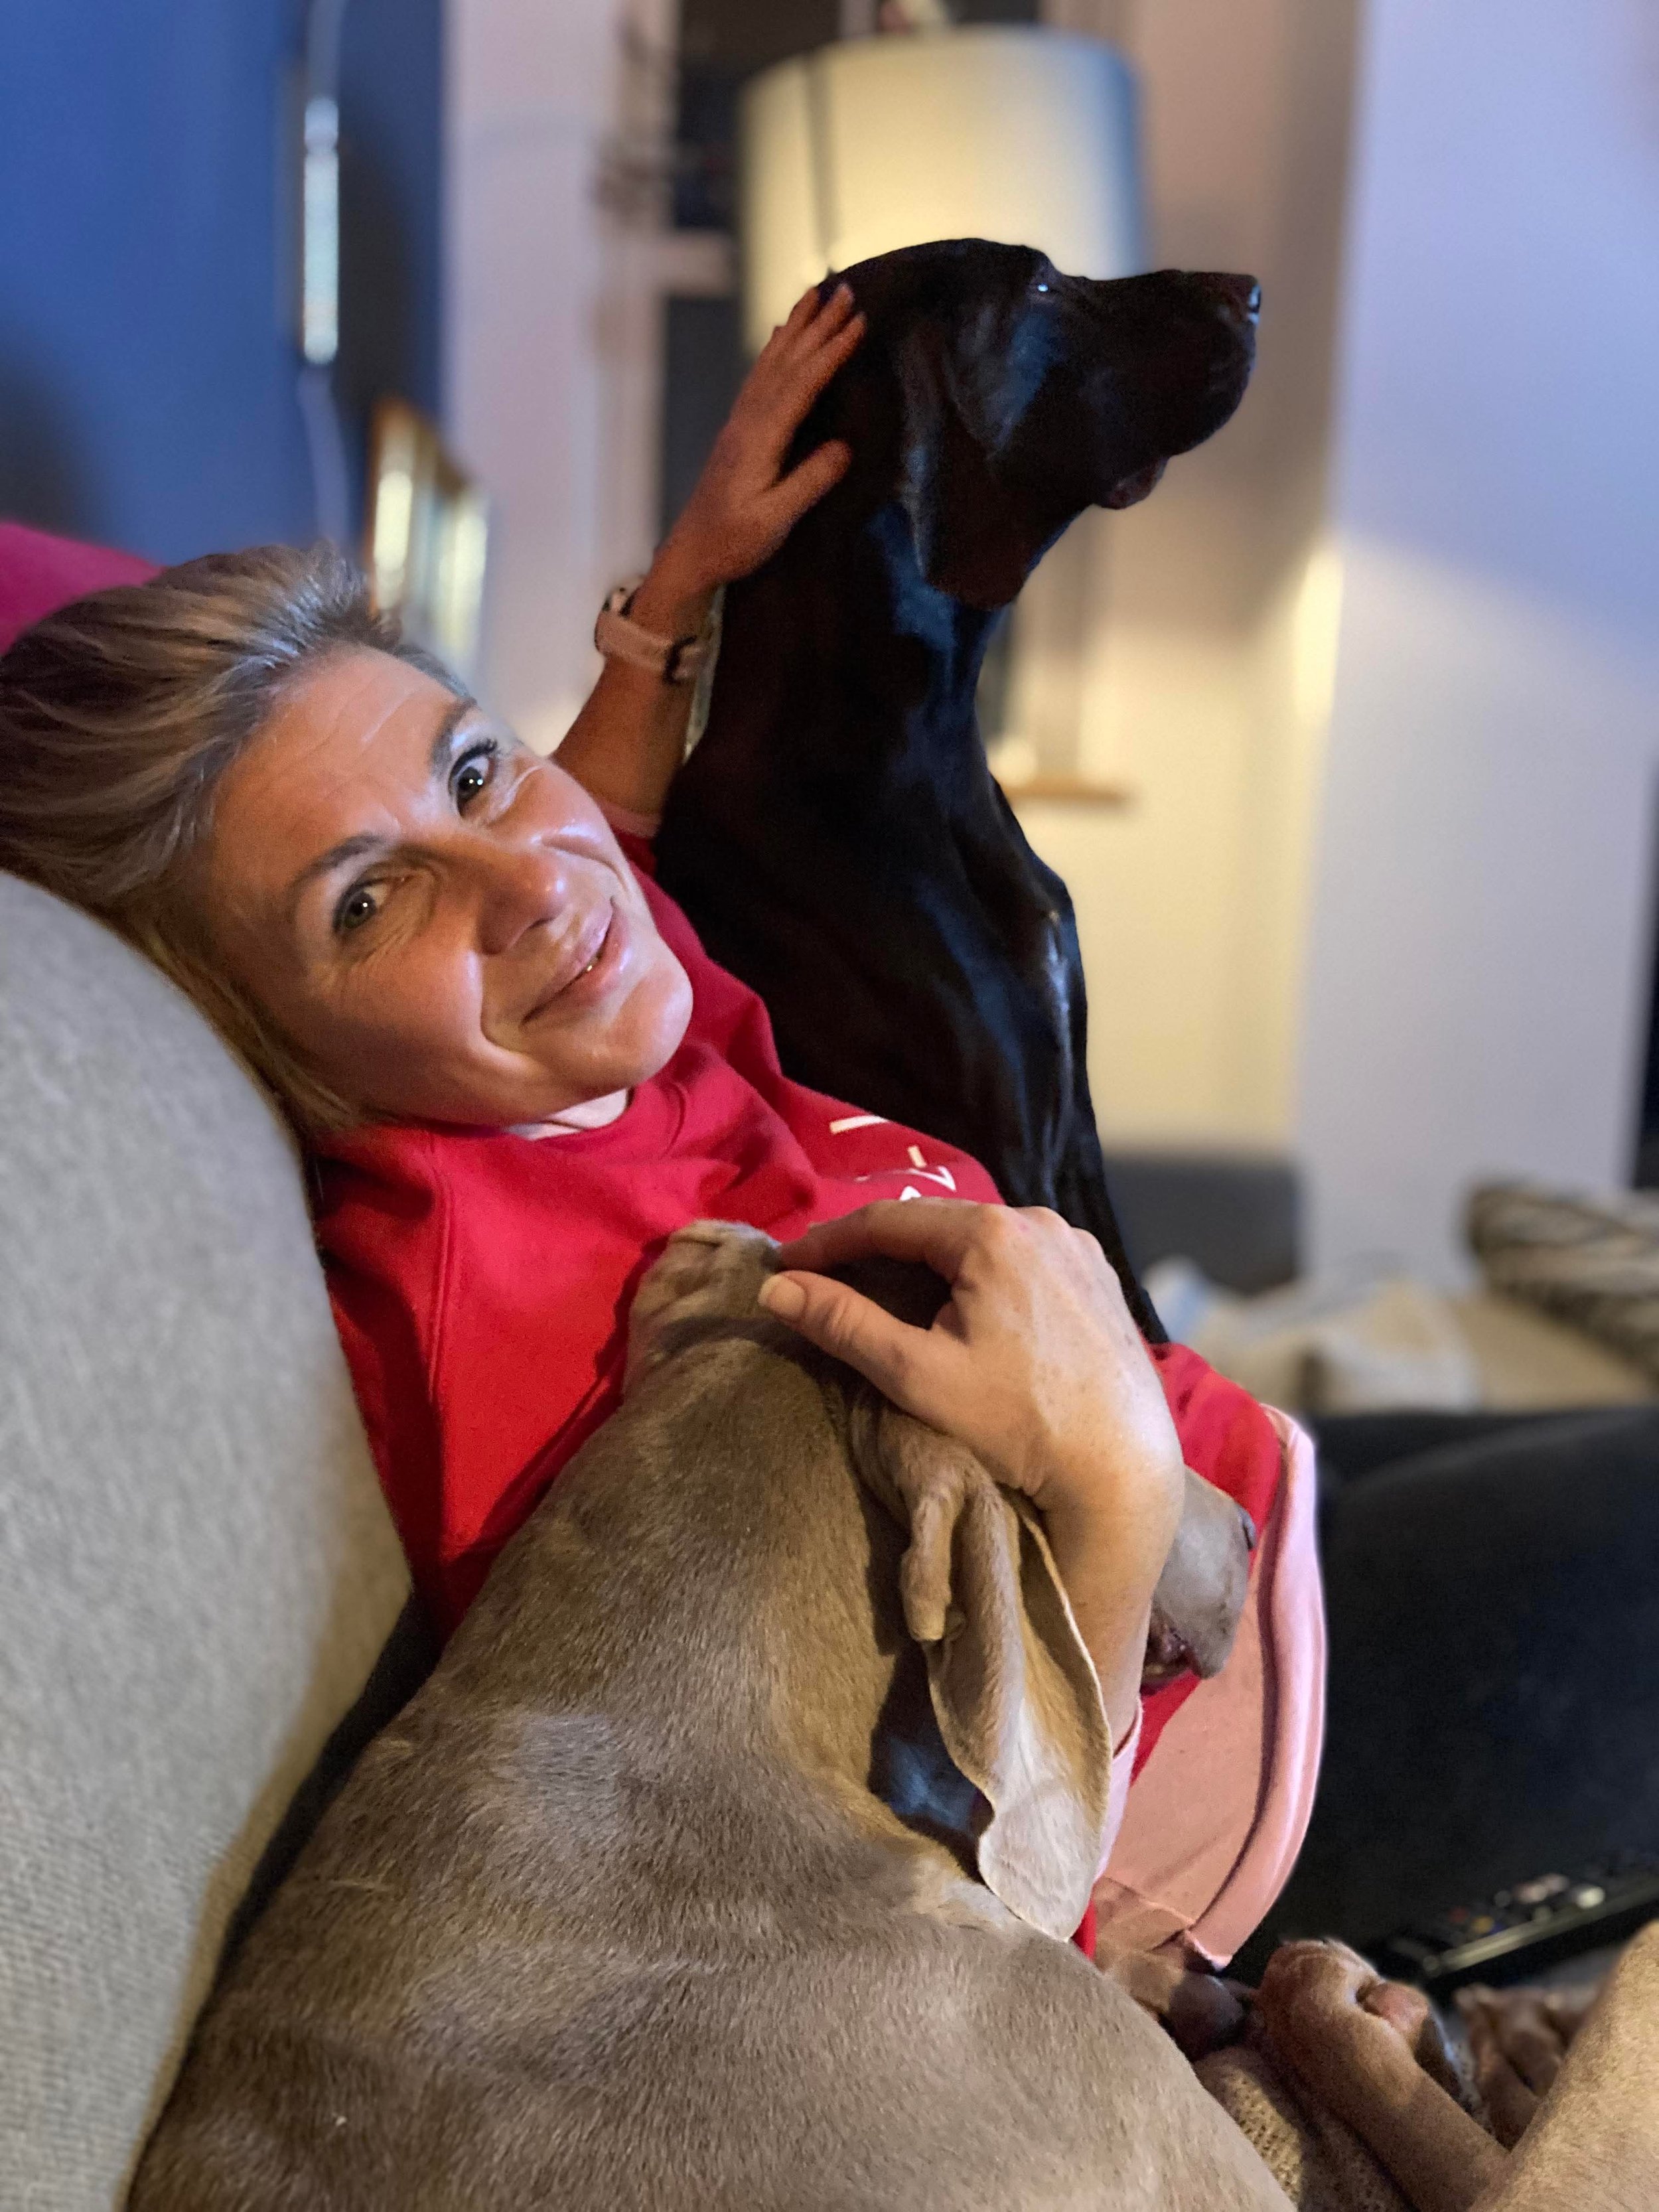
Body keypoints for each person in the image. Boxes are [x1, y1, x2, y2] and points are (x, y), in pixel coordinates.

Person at [0, 285, 1319, 1969]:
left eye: (472, 768)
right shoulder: (509, 1331)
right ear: (271, 1045)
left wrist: (674, 595)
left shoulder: (571, 993)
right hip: (1210, 1811)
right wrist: (1119, 1490)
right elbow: (879, 1855)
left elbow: (583, 828)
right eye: (366, 905)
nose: (534, 887)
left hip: (1249, 1519)